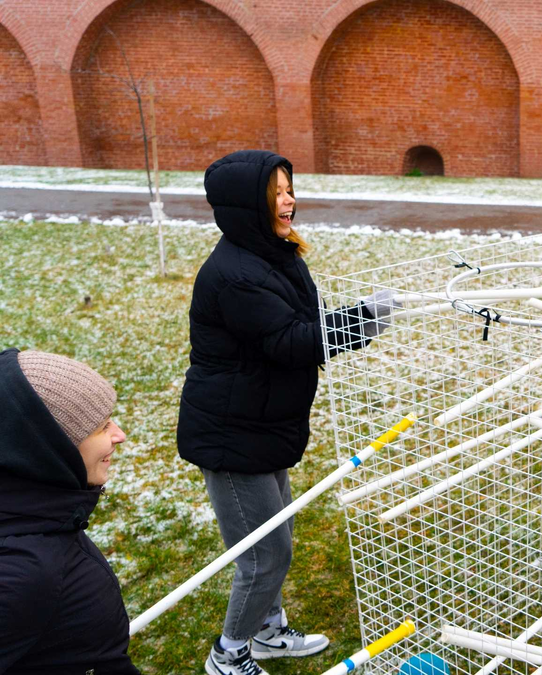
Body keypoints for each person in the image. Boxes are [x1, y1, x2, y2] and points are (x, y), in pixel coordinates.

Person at [177, 150, 395, 675]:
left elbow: (304, 321)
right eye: (276, 192)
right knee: (263, 554)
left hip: (264, 422)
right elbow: (293, 341)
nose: (289, 199)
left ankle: (268, 631)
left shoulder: (273, 253)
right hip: (233, 434)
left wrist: (362, 315)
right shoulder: (235, 275)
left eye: (289, 188)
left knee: (279, 539)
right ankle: (229, 654)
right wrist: (365, 319)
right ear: (248, 204)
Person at [0, 348, 138, 674]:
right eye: (103, 427)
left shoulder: (37, 509)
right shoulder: (23, 573)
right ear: (52, 450)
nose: (120, 434)